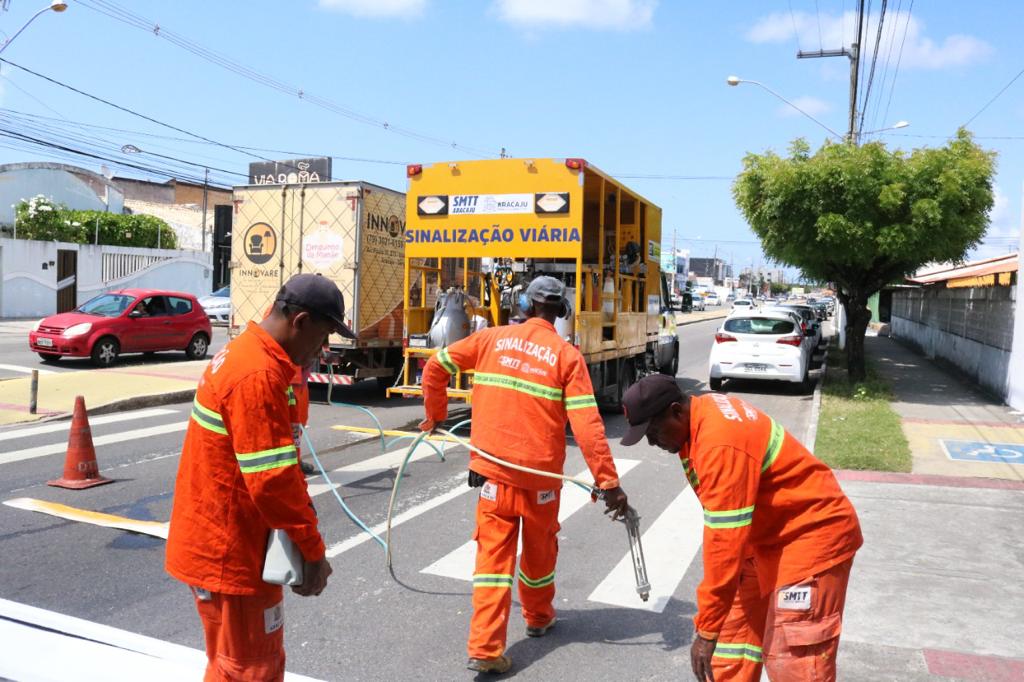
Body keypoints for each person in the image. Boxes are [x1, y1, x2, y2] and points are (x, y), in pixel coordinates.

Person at [419, 276, 629, 675]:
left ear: (525, 305)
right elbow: (588, 426)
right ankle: (537, 616)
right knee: (539, 555)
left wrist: (435, 417)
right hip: (540, 486)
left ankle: (485, 646)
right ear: (560, 313)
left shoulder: (490, 339)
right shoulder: (567, 357)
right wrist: (608, 482)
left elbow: (435, 367)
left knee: (491, 564)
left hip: (492, 481)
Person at [166, 273, 356, 681]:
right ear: (300, 321)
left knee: (232, 666)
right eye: (322, 338)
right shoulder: (257, 374)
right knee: (251, 669)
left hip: (228, 545)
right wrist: (312, 551)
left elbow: (279, 462)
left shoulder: (256, 358)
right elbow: (272, 482)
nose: (321, 350)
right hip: (230, 553)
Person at [619, 375, 862, 682]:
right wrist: (713, 625)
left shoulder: (719, 442)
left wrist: (705, 631)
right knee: (731, 644)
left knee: (794, 659)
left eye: (652, 432)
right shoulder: (697, 418)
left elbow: (724, 542)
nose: (652, 443)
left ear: (676, 411)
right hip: (762, 542)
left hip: (811, 537)